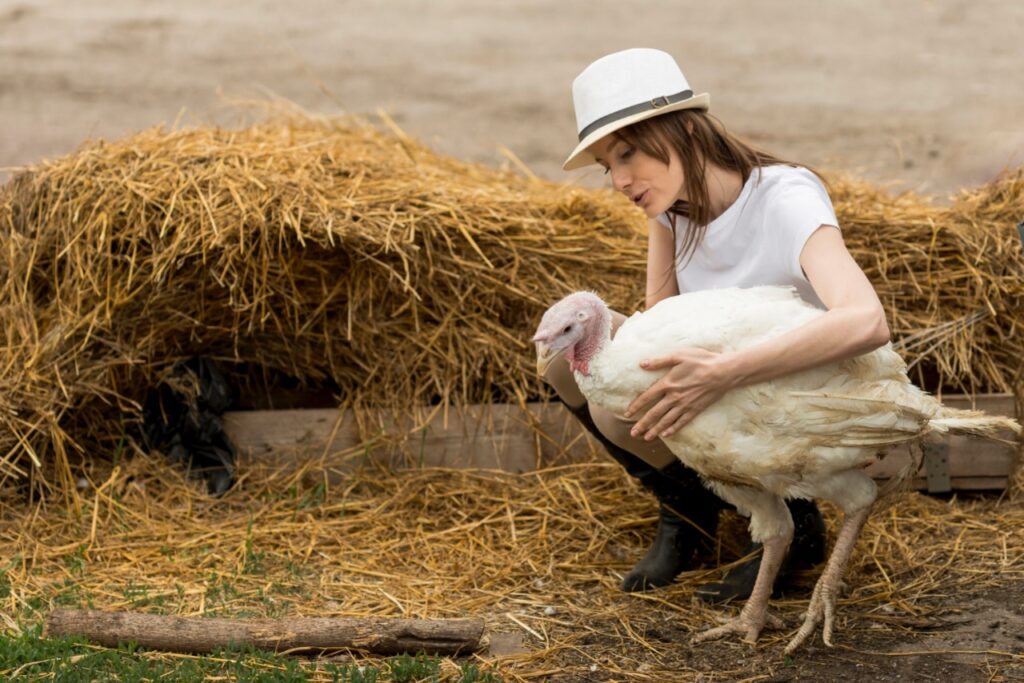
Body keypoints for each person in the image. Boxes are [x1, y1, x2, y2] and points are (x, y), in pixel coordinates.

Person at [542, 48, 890, 600]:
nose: (619, 180)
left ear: (679, 130)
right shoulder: (670, 212)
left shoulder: (785, 196)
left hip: (791, 390)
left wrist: (722, 372)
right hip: (727, 388)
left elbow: (867, 320)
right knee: (571, 363)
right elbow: (659, 322)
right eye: (609, 166)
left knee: (620, 408)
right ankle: (689, 513)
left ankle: (796, 521)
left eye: (628, 153)